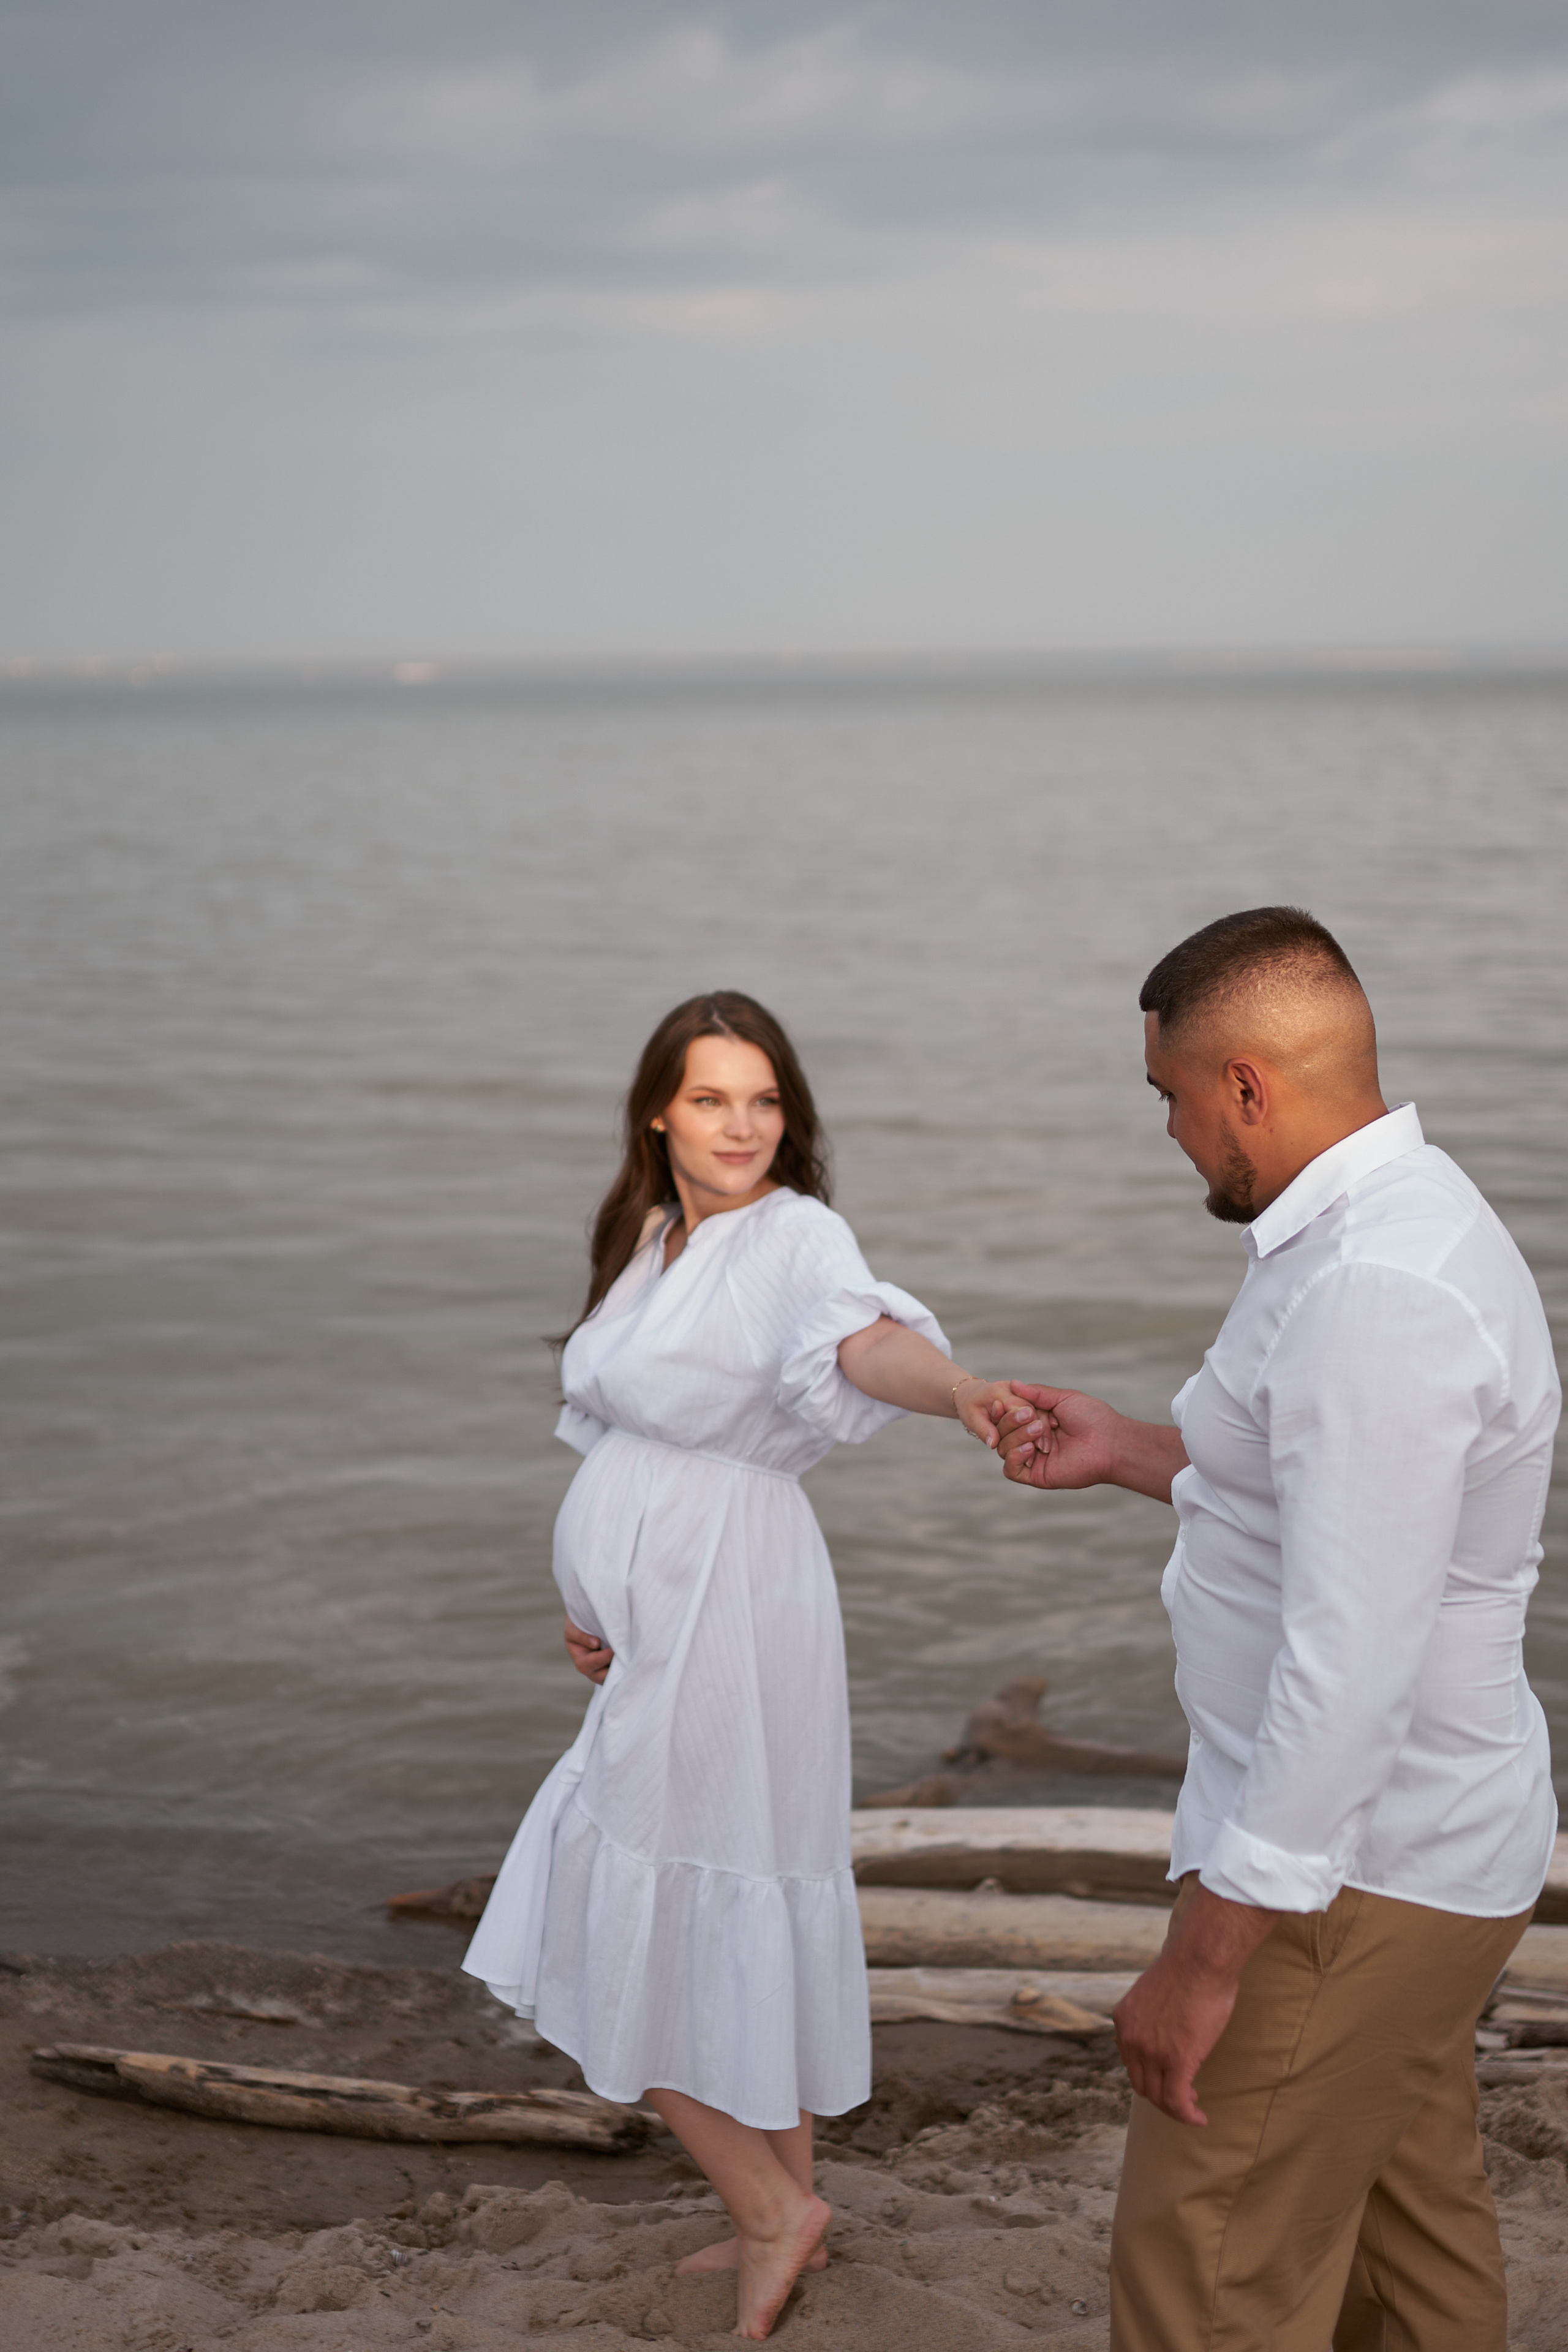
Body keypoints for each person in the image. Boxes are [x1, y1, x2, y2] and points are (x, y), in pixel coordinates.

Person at [993, 906, 1560, 2352]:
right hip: (1424, 1854)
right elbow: (1322, 1501)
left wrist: (1207, 1953)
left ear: (1244, 1083)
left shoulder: (1372, 1288)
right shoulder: (1380, 1228)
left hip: (1352, 1876)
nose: (1170, 1135)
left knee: (1209, 2270)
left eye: (1169, 1100)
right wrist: (1129, 1448)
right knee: (1400, 2247)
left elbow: (1349, 1652)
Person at [463, 990, 1034, 2341]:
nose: (741, 1125)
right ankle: (777, 2214)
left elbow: (856, 1342)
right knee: (725, 1880)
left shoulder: (793, 1235)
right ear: (658, 1108)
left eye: (764, 1099)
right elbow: (620, 1434)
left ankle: (777, 2215)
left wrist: (959, 1392)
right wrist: (594, 1588)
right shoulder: (653, 1233)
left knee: (607, 1907)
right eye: (712, 1098)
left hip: (731, 1600)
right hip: (671, 1609)